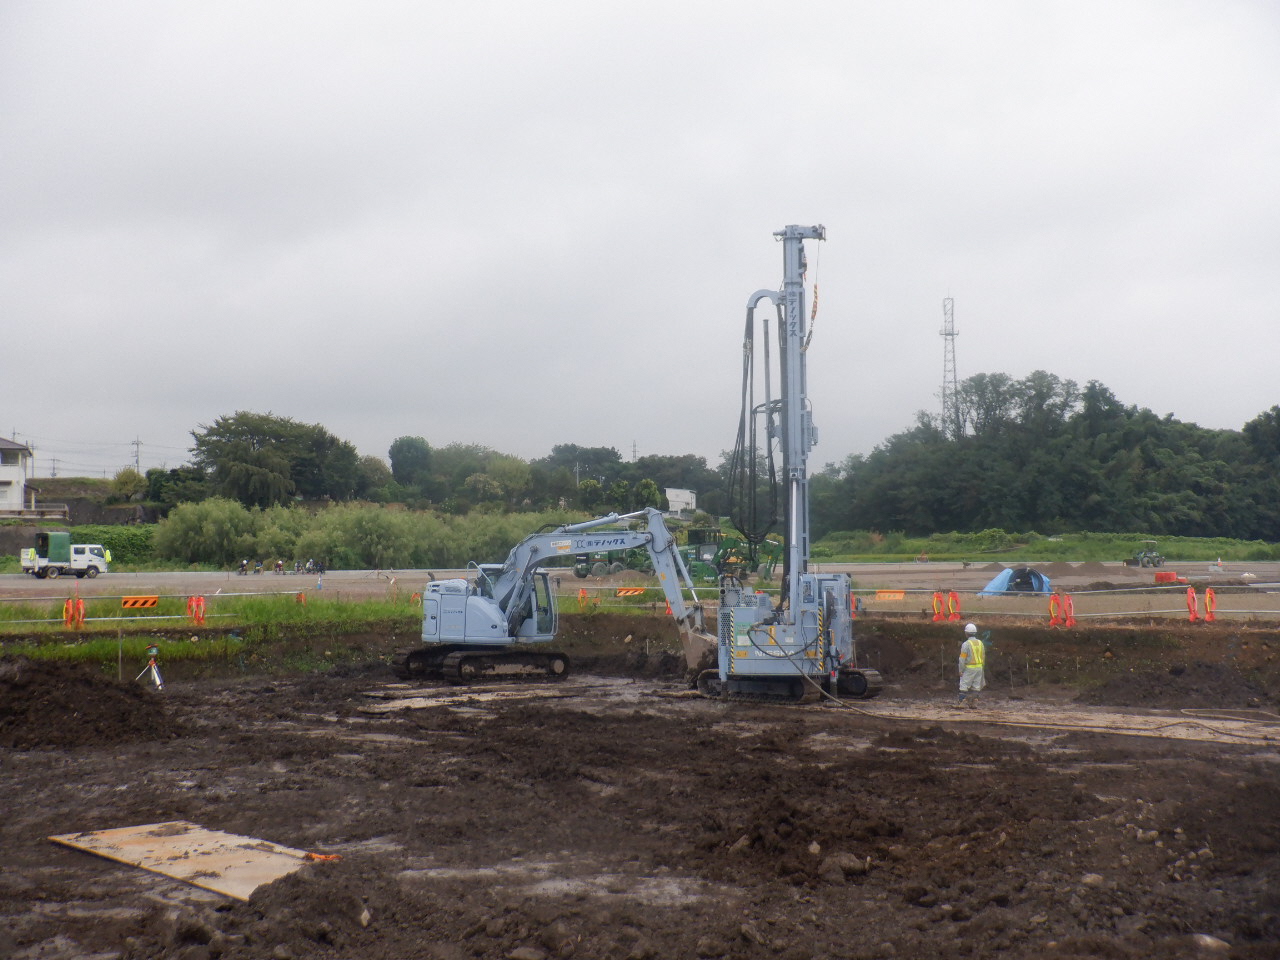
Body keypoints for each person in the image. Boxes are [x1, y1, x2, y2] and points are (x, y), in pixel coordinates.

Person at [957, 622, 986, 708]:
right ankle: (974, 702)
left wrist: (961, 670)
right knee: (976, 687)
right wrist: (982, 667)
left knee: (963, 685)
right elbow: (983, 655)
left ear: (966, 633)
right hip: (979, 667)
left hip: (969, 667)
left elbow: (962, 659)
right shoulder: (980, 643)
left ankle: (962, 702)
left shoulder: (966, 644)